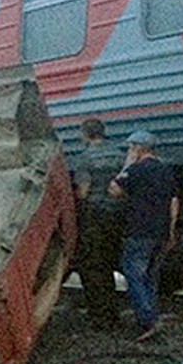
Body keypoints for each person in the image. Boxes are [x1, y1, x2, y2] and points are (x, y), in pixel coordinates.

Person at [108, 129, 179, 341]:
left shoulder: (137, 170)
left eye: (131, 147)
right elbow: (174, 201)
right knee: (150, 278)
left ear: (139, 148)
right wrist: (171, 231)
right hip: (161, 231)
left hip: (139, 230)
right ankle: (150, 317)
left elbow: (114, 190)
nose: (129, 151)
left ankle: (147, 321)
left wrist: (127, 166)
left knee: (134, 274)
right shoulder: (166, 170)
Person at [71, 118, 125, 329]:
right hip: (117, 214)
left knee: (93, 266)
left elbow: (83, 192)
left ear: (85, 134)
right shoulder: (120, 155)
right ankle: (114, 311)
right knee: (111, 263)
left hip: (95, 217)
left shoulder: (85, 159)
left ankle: (100, 316)